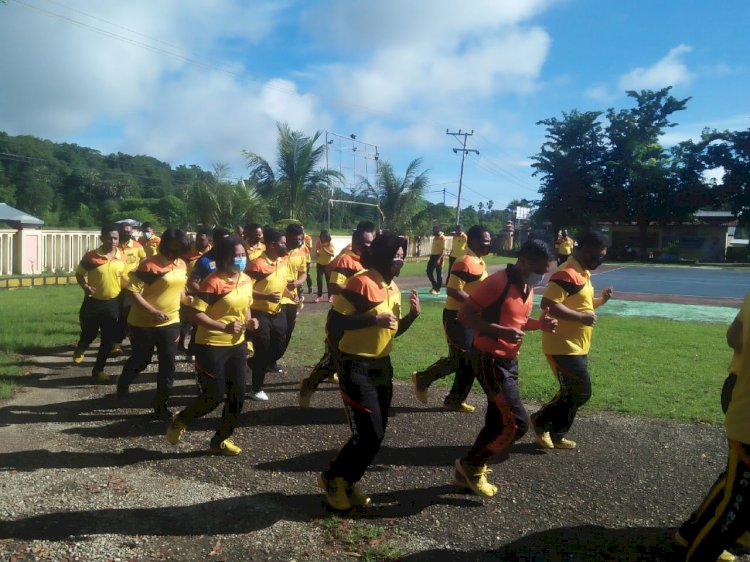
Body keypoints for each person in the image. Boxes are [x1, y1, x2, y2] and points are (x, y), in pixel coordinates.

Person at [318, 231, 420, 511]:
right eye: (396, 256)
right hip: (355, 365)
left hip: (382, 366)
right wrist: (373, 318)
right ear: (384, 255)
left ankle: (348, 482)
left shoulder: (393, 287)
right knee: (368, 432)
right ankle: (332, 478)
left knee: (377, 433)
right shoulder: (360, 283)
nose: (400, 261)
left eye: (402, 256)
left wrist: (410, 317)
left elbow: (392, 331)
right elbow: (335, 324)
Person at [451, 239, 557, 497]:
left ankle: (466, 474)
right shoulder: (497, 283)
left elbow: (517, 322)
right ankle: (471, 465)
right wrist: (499, 331)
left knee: (497, 419)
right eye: (539, 269)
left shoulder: (527, 286)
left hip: (510, 361)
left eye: (545, 270)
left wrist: (539, 325)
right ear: (523, 261)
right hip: (489, 359)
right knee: (517, 424)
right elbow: (464, 316)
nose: (541, 275)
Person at [675, 292, 750, 562]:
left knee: (735, 478)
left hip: (737, 386)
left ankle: (692, 531)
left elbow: (733, 337)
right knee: (739, 497)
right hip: (744, 401)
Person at [166, 235, 257, 456]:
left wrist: (250, 320)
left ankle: (220, 440)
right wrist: (222, 327)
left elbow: (245, 306)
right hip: (211, 345)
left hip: (237, 345)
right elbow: (194, 313)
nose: (241, 259)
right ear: (224, 257)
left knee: (238, 397)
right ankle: (181, 419)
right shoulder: (212, 282)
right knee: (214, 396)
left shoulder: (245, 279)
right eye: (236, 255)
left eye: (243, 254)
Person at [531, 231, 613, 450]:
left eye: (601, 258)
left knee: (573, 392)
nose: (597, 262)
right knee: (581, 391)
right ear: (579, 249)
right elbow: (548, 304)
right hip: (561, 345)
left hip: (578, 345)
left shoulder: (582, 272)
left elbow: (579, 305)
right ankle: (539, 421)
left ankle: (557, 434)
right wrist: (581, 318)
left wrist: (599, 301)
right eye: (593, 257)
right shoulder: (566, 273)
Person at [413, 225, 491, 412]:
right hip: (456, 316)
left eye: (489, 241)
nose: (488, 244)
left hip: (472, 317)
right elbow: (453, 290)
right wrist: (477, 305)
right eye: (484, 241)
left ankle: (455, 400)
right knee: (460, 358)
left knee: (471, 360)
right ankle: (423, 378)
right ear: (471, 240)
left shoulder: (478, 261)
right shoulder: (464, 262)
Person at [298, 221, 376, 407]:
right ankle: (308, 385)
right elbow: (334, 286)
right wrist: (358, 294)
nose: (370, 247)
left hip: (360, 318)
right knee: (333, 359)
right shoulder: (345, 260)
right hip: (341, 317)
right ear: (355, 242)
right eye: (366, 243)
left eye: (372, 243)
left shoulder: (370, 261)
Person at [116, 228, 190, 420]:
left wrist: (188, 300)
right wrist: (152, 311)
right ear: (164, 244)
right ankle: (123, 385)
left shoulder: (181, 264)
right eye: (172, 247)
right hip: (142, 323)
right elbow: (133, 292)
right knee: (142, 359)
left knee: (168, 363)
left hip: (171, 321)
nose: (174, 252)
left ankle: (161, 404)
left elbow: (180, 288)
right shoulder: (149, 265)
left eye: (179, 248)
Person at [73, 224, 126, 382]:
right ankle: (81, 347)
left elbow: (123, 277)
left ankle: (98, 370)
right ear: (102, 238)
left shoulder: (121, 256)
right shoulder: (91, 256)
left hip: (113, 303)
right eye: (109, 238)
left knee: (108, 339)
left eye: (115, 238)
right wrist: (85, 286)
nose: (113, 241)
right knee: (89, 333)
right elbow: (79, 274)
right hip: (93, 302)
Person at [245, 227, 292, 401]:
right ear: (272, 245)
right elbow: (244, 289)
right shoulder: (256, 264)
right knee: (263, 350)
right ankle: (255, 388)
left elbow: (280, 284)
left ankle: (252, 363)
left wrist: (289, 293)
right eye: (282, 243)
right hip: (259, 313)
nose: (285, 246)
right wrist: (266, 296)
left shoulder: (282, 261)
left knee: (278, 348)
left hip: (277, 312)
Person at [276, 223, 308, 369]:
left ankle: (273, 359)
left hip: (292, 298)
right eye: (296, 239)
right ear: (287, 236)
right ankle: (266, 358)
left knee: (288, 330)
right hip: (277, 298)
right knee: (279, 330)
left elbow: (303, 272)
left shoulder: (301, 253)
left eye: (300, 239)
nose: (299, 242)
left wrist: (298, 282)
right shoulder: (277, 251)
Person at [112, 223, 146, 355]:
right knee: (115, 316)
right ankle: (115, 343)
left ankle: (130, 343)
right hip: (115, 285)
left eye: (129, 231)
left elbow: (144, 259)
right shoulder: (114, 246)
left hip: (131, 286)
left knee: (128, 315)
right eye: (124, 231)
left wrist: (140, 269)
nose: (127, 233)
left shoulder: (137, 246)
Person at [179, 226, 213, 356]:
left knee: (198, 322)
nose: (199, 241)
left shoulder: (212, 255)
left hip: (205, 294)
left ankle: (194, 349)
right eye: (197, 238)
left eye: (202, 239)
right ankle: (180, 343)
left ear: (209, 240)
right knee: (186, 320)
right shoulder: (186, 253)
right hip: (188, 292)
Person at [314, 230, 335, 303]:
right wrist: (317, 253)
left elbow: (332, 254)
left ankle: (330, 296)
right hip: (320, 264)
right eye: (321, 236)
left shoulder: (330, 244)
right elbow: (317, 253)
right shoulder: (319, 243)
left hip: (328, 265)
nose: (322, 238)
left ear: (326, 237)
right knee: (319, 280)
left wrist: (325, 250)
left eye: (323, 236)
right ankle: (319, 296)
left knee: (328, 281)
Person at [426, 225, 446, 295]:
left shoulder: (442, 238)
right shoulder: (435, 238)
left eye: (434, 230)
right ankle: (434, 285)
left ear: (438, 230)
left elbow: (443, 251)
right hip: (433, 256)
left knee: (439, 274)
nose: (433, 231)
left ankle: (437, 289)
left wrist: (439, 259)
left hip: (438, 257)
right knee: (428, 271)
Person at [303, 227, 314, 294]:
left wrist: (303, 244)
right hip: (299, 258)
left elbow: (309, 248)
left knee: (306, 273)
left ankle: (310, 286)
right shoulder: (298, 237)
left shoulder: (307, 238)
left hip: (306, 259)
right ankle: (300, 288)